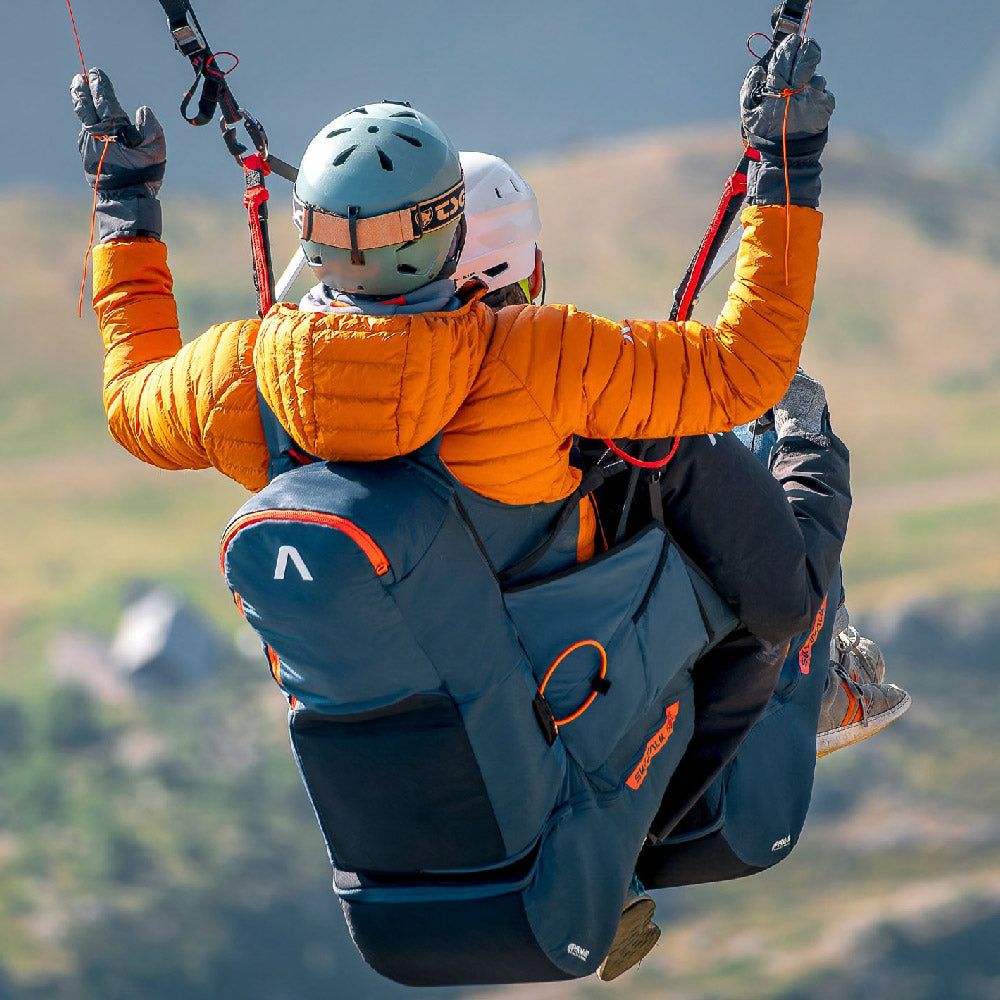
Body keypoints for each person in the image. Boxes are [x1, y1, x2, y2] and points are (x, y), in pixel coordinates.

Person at [72, 34, 849, 982]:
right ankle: (822, 665)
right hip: (589, 687)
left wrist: (125, 203)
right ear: (451, 236)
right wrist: (786, 165)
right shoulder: (533, 356)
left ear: (310, 240)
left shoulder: (242, 378)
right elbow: (745, 369)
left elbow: (132, 399)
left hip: (466, 733)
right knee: (767, 471)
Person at [451, 152, 910, 979]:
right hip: (670, 766)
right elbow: (786, 590)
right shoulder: (611, 424)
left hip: (495, 753)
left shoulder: (356, 432)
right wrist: (811, 441)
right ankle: (824, 682)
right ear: (529, 274)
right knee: (766, 476)